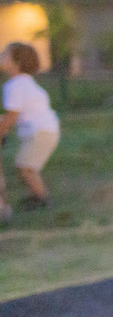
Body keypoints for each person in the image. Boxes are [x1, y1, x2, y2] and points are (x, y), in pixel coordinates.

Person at [0, 42, 60, 213]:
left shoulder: (14, 86)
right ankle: (37, 194)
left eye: (5, 55)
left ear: (16, 63)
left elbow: (12, 116)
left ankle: (42, 197)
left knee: (26, 167)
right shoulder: (26, 83)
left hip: (39, 132)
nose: (1, 56)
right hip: (46, 130)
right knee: (26, 166)